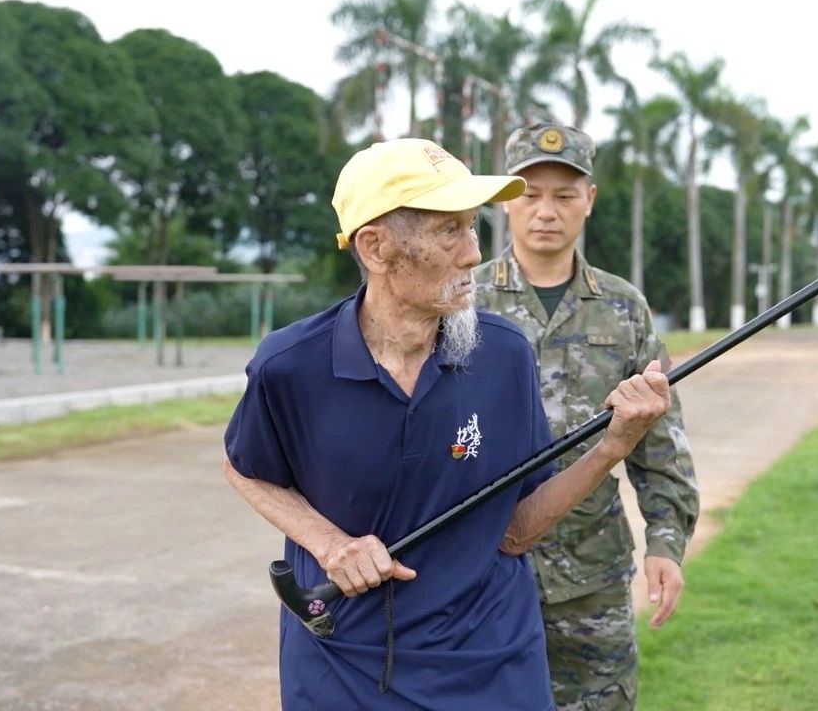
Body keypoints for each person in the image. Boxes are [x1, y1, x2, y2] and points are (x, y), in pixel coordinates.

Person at [222, 138, 672, 710]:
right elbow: (246, 467)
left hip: (492, 659)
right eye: (448, 231)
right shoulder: (291, 365)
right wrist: (330, 544)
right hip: (344, 664)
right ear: (376, 246)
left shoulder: (503, 354)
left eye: (472, 228)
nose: (471, 254)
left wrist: (613, 445)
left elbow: (516, 529)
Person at [473, 123, 700, 710]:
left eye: (565, 195)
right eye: (529, 193)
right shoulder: (461, 301)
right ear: (503, 200)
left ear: (589, 201)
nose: (546, 211)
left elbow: (660, 441)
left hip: (590, 579)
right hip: (483, 573)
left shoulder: (624, 309)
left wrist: (666, 544)